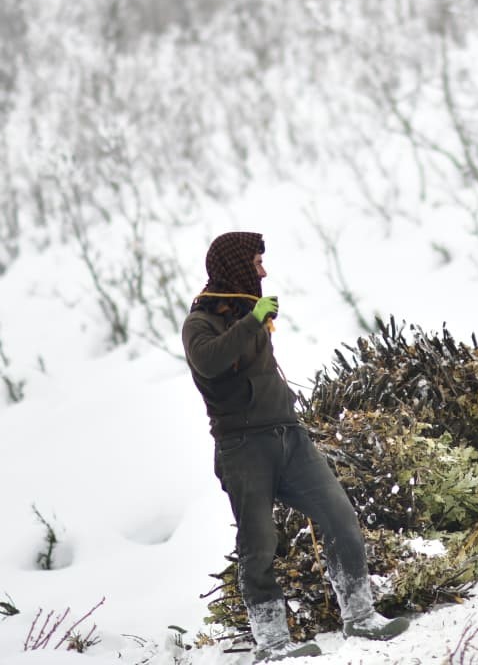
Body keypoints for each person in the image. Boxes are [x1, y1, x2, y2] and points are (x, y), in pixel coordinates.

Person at [182, 231, 409, 662]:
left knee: (340, 515)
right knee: (258, 545)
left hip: (290, 436)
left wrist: (253, 323)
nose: (263, 271)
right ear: (235, 266)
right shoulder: (200, 323)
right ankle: (272, 643)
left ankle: (360, 615)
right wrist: (251, 322)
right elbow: (208, 362)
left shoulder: (249, 315)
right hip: (242, 447)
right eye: (256, 263)